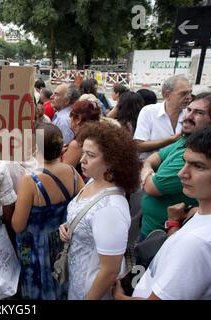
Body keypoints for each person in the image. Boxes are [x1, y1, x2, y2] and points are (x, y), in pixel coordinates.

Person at [113, 126, 211, 300]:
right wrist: (174, 222)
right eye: (184, 162)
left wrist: (118, 295)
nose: (182, 173)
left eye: (198, 166)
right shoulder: (199, 216)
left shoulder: (196, 243)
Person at [59, 121, 140, 300]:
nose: (82, 160)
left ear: (112, 161)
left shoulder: (110, 208)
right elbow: (87, 217)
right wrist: (67, 225)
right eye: (83, 152)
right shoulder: (95, 180)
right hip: (78, 278)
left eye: (91, 155)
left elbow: (110, 270)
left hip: (91, 288)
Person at [12, 123, 84, 300]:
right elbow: (83, 205)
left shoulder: (30, 180)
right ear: (61, 147)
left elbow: (18, 225)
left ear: (35, 146)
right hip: (63, 242)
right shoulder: (72, 172)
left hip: (37, 248)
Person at [139, 92, 211, 239]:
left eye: (199, 113)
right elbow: (153, 158)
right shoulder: (185, 140)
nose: (188, 116)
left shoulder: (196, 154)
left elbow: (151, 187)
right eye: (189, 110)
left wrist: (148, 173)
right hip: (153, 230)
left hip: (165, 237)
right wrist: (148, 168)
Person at [134, 75, 192, 160]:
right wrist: (170, 140)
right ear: (167, 94)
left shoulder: (190, 114)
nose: (189, 97)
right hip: (148, 168)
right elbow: (138, 146)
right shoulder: (149, 111)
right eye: (183, 93)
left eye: (190, 92)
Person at [61, 100, 101, 171]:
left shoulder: (76, 144)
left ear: (78, 119)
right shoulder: (95, 136)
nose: (70, 119)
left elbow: (64, 174)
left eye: (71, 116)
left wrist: (56, 157)